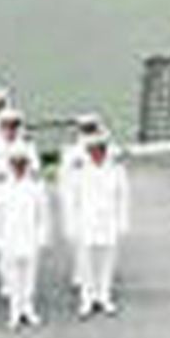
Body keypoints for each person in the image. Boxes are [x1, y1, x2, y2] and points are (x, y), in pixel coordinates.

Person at [63, 131, 130, 318]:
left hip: (108, 220)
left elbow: (122, 196)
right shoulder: (80, 170)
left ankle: (104, 297)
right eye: (93, 149)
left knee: (106, 261)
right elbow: (72, 199)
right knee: (87, 262)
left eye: (100, 149)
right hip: (86, 221)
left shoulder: (116, 169)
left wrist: (122, 221)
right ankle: (87, 299)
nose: (97, 153)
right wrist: (72, 224)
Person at [0, 147, 50, 329]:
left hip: (29, 235)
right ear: (9, 165)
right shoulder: (1, 186)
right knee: (13, 276)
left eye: (22, 164)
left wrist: (42, 236)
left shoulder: (35, 186)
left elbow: (42, 214)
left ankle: (28, 309)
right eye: (15, 164)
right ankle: (15, 312)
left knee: (29, 276)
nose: (19, 168)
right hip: (9, 236)